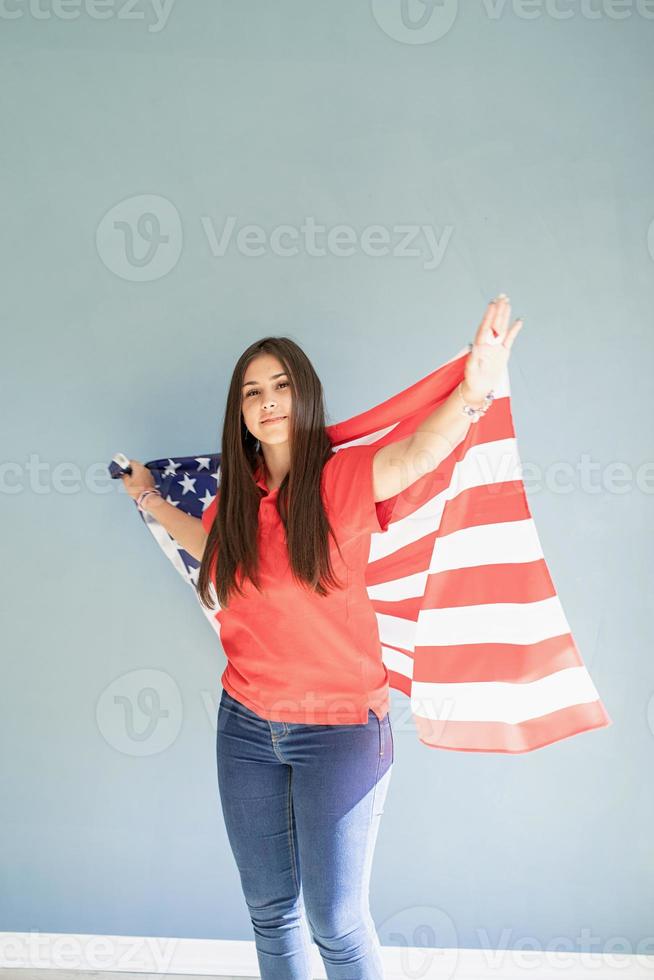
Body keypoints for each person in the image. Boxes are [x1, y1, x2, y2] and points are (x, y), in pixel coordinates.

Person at [119, 296, 523, 979]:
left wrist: (473, 391)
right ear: (239, 413)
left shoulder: (343, 478)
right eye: (253, 392)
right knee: (270, 911)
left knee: (335, 922)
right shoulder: (235, 500)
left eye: (280, 386)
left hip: (339, 731)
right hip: (246, 727)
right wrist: (151, 500)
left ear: (303, 397)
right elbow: (210, 543)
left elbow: (421, 452)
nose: (267, 401)